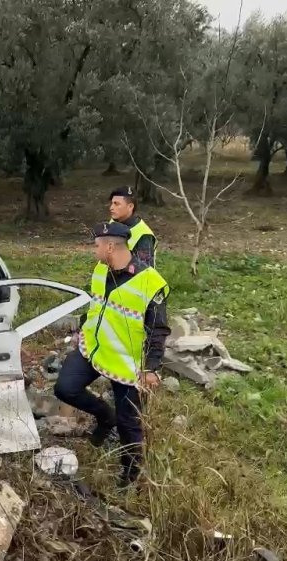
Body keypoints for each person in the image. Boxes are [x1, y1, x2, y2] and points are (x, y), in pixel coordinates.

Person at [55, 222, 171, 487]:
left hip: (127, 364)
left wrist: (151, 368)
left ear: (110, 246)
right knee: (65, 388)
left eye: (96, 246)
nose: (94, 251)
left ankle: (130, 478)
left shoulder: (150, 282)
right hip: (94, 349)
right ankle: (104, 416)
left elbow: (158, 329)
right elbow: (97, 305)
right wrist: (83, 330)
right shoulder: (100, 270)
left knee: (129, 424)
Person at [109, 186, 157, 266]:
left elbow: (145, 270)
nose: (111, 208)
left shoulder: (143, 235)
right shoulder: (112, 223)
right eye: (112, 203)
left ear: (130, 207)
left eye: (116, 204)